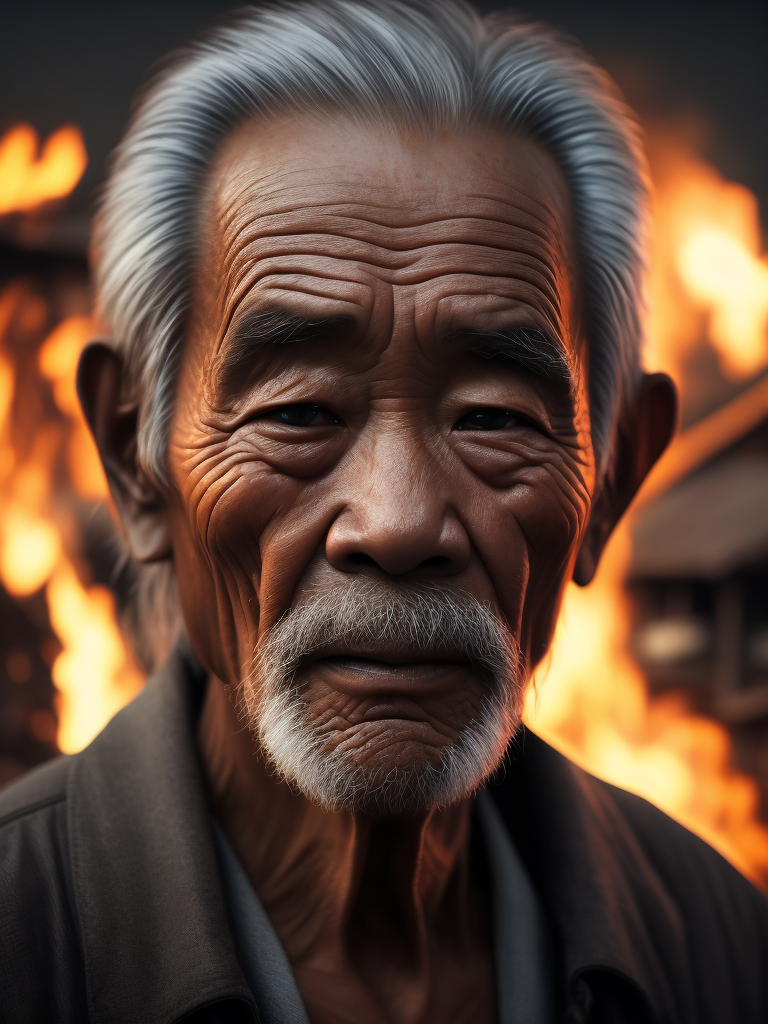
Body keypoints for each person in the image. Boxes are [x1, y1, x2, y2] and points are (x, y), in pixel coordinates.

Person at [1, 1, 767, 1021]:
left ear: (612, 480)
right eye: (301, 411)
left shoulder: (715, 948)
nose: (400, 524)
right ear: (137, 460)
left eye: (493, 417)